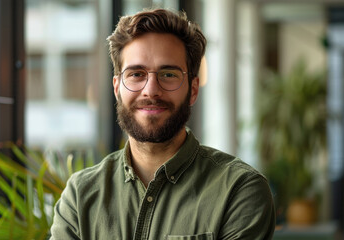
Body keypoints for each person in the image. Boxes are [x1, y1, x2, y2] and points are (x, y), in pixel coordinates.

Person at [50, 8, 275, 240]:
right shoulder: (80, 195)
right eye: (136, 74)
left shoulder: (239, 190)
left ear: (193, 89)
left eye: (168, 74)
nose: (151, 91)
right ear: (117, 88)